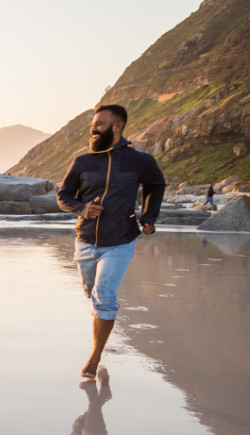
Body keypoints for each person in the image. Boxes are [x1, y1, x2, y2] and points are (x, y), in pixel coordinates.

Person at [57, 104, 166, 379]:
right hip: (85, 240)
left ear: (117, 127)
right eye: (93, 124)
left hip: (120, 239)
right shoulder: (82, 162)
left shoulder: (140, 161)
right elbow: (64, 195)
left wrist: (149, 217)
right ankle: (105, 317)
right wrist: (82, 209)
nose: (93, 128)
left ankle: (94, 358)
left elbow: (156, 185)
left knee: (104, 297)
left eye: (99, 124)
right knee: (92, 293)